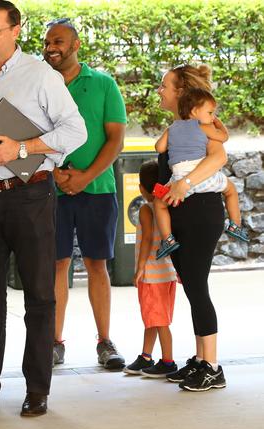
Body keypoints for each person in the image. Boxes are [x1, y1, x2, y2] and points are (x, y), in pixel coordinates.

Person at [0, 1, 86, 417]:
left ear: (16, 30)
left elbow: (75, 131)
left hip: (30, 194)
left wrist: (22, 147)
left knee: (39, 296)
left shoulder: (41, 75)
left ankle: (37, 388)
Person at [43, 20, 127, 369]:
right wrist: (57, 174)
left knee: (97, 265)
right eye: (47, 42)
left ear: (76, 44)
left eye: (58, 41)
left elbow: (116, 140)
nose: (51, 48)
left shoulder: (104, 84)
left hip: (98, 190)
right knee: (57, 265)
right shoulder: (40, 85)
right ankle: (53, 342)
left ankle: (105, 342)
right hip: (52, 189)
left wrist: (85, 177)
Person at [156, 64, 227, 391]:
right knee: (192, 287)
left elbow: (218, 157)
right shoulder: (177, 128)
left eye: (165, 86)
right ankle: (201, 360)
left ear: (181, 92)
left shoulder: (203, 124)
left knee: (197, 287)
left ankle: (212, 366)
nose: (160, 91)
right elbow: (161, 175)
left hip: (201, 211)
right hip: (182, 213)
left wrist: (183, 184)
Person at [153, 87, 247, 259]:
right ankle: (235, 225)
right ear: (195, 111)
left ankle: (168, 239)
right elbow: (224, 137)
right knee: (231, 190)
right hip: (203, 176)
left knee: (159, 204)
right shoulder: (203, 127)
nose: (212, 117)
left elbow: (159, 148)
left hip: (178, 178)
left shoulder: (172, 128)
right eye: (211, 112)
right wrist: (218, 124)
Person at [124, 161, 178, 377]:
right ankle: (146, 356)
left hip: (152, 276)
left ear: (141, 188)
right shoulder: (168, 207)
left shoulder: (147, 209)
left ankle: (168, 361)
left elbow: (147, 239)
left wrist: (139, 268)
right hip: (167, 274)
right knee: (153, 318)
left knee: (160, 321)